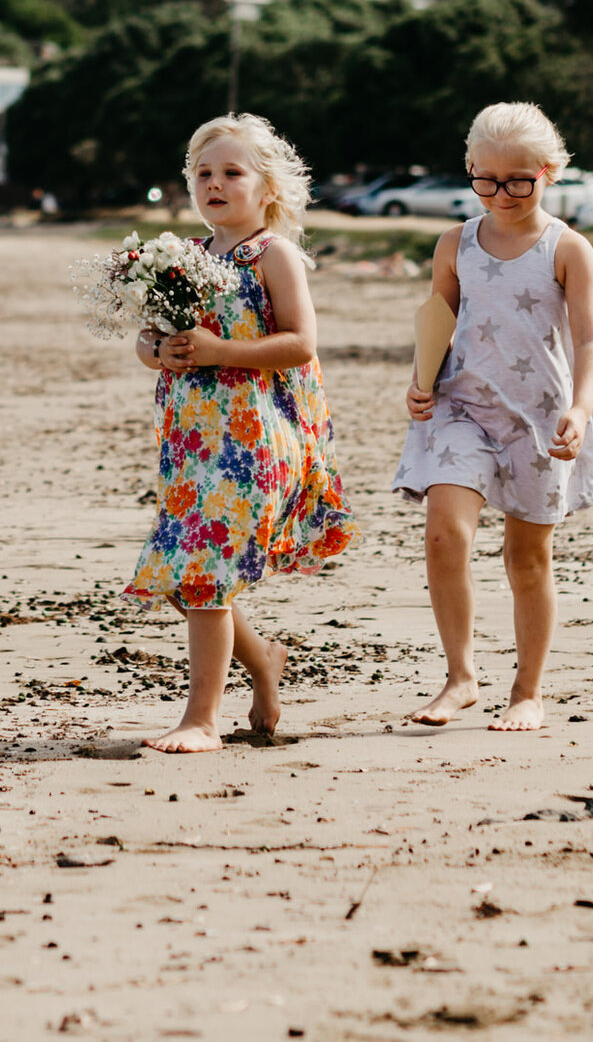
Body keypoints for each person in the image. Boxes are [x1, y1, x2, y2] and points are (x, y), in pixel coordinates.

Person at [126, 114, 358, 753]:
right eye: (203, 173)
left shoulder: (272, 254)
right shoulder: (183, 257)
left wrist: (218, 349)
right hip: (192, 441)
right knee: (184, 575)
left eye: (232, 172)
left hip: (254, 439)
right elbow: (152, 340)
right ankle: (263, 662)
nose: (215, 184)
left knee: (202, 573)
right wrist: (160, 353)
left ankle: (201, 718)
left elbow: (300, 343)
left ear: (268, 187)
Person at [395, 101, 593, 733]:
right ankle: (461, 677)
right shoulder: (454, 242)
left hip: (540, 420)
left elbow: (591, 340)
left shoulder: (568, 249)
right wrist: (418, 382)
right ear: (470, 171)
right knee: (444, 534)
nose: (501, 193)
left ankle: (527, 690)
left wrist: (580, 406)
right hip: (460, 408)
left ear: (549, 172)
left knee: (526, 559)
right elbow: (438, 322)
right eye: (485, 180)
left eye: (518, 180)